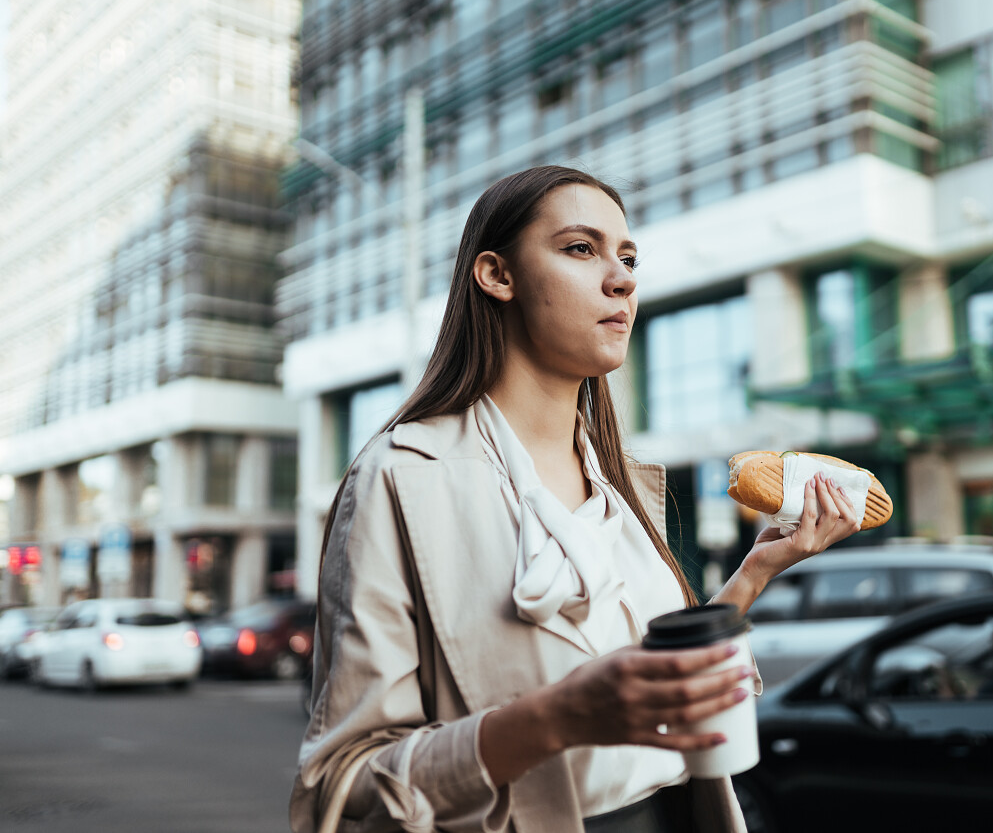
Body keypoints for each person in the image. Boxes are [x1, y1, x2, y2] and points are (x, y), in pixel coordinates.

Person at [290, 166, 861, 833]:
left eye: (628, 257)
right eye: (581, 249)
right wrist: (553, 719)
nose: (621, 279)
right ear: (497, 275)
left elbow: (656, 689)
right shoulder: (402, 477)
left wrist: (755, 572)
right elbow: (343, 779)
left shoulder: (629, 487)